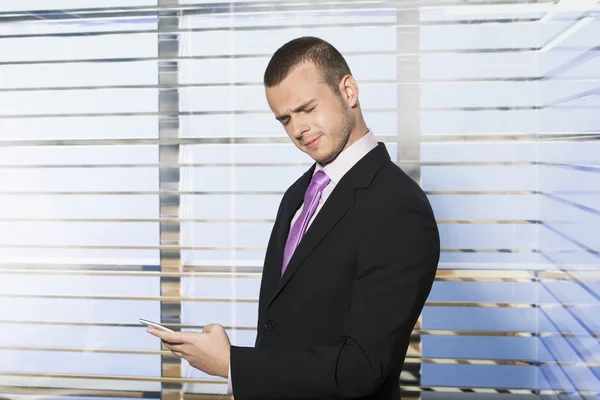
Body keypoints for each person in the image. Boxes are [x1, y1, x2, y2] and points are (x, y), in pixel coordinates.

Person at [148, 36, 440, 400]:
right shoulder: (298, 194)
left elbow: (362, 367)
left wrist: (232, 365)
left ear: (348, 91)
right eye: (285, 118)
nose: (298, 129)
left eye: (307, 109)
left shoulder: (398, 206)